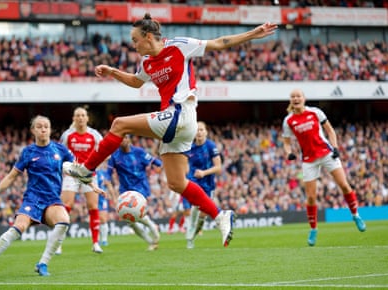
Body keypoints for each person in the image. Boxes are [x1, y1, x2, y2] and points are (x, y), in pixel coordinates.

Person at [63, 13, 277, 247]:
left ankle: (86, 169)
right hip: (177, 124)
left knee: (119, 125)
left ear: (147, 36)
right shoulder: (146, 62)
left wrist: (254, 34)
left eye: (135, 40)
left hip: (182, 113)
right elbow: (136, 82)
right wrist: (113, 72)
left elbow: (219, 43)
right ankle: (219, 215)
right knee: (175, 183)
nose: (133, 45)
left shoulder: (179, 46)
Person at [0, 115, 76, 277]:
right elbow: (11, 176)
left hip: (52, 200)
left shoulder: (60, 150)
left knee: (64, 221)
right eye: (39, 126)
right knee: (18, 228)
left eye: (46, 126)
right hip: (33, 198)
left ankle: (42, 263)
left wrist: (92, 184)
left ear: (50, 130)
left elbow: (77, 169)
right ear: (33, 130)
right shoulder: (28, 152)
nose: (43, 129)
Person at [282, 88, 366, 247]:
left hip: (327, 154)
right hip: (308, 160)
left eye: (298, 96)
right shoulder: (288, 121)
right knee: (311, 197)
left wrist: (335, 148)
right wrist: (289, 153)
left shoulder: (315, 112)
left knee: (344, 185)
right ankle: (313, 229)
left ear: (304, 98)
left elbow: (330, 131)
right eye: (293, 96)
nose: (295, 98)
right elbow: (286, 143)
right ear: (291, 100)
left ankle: (355, 215)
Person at [58, 107, 104, 254]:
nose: (80, 118)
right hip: (71, 174)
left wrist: (96, 164)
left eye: (83, 115)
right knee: (67, 205)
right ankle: (58, 243)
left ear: (87, 118)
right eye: (77, 115)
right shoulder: (68, 135)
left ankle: (96, 243)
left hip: (89, 174)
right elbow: (60, 152)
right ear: (74, 118)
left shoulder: (94, 135)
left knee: (93, 206)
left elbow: (103, 151)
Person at [107, 135, 161, 250]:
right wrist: (109, 186)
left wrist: (160, 166)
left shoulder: (139, 152)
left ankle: (152, 228)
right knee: (130, 220)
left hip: (140, 189)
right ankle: (151, 240)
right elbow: (108, 173)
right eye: (121, 139)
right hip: (125, 191)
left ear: (129, 139)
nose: (123, 140)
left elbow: (156, 162)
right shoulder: (115, 156)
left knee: (137, 215)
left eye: (125, 138)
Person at [185, 121, 222, 249]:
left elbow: (218, 167)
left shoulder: (211, 146)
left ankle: (192, 234)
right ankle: (190, 232)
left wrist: (204, 172)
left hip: (208, 184)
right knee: (195, 206)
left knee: (203, 215)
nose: (199, 132)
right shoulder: (189, 147)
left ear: (205, 132)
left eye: (201, 130)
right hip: (194, 182)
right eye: (197, 130)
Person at [95, 161, 116, 247]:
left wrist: (114, 197)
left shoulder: (103, 173)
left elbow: (109, 185)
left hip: (102, 198)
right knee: (97, 219)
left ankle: (104, 240)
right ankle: (97, 239)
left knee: (103, 219)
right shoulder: (91, 173)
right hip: (94, 197)